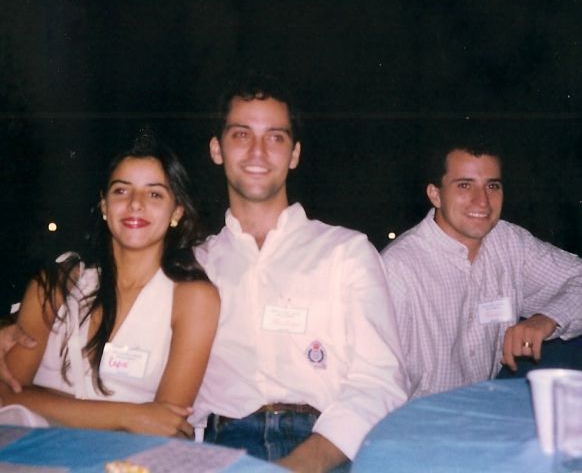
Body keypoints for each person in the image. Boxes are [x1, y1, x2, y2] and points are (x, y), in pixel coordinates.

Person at [187, 72, 409, 472]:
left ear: (294, 154)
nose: (258, 151)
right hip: (223, 447)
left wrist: (304, 464)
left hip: (326, 445)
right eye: (241, 135)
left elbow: (381, 380)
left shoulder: (346, 252)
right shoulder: (195, 265)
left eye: (275, 137)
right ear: (217, 149)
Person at [0, 131, 220, 436]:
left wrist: (41, 400)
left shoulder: (192, 298)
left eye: (154, 194)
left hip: (128, 457)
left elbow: (167, 425)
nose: (135, 204)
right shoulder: (57, 283)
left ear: (177, 212)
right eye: (121, 190)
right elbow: (6, 396)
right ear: (104, 205)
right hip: (33, 450)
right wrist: (130, 415)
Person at [381, 134, 582, 399]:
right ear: (435, 194)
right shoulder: (398, 269)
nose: (483, 201)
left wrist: (547, 318)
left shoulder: (509, 243)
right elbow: (378, 381)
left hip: (481, 405)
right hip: (416, 415)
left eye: (492, 186)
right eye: (465, 185)